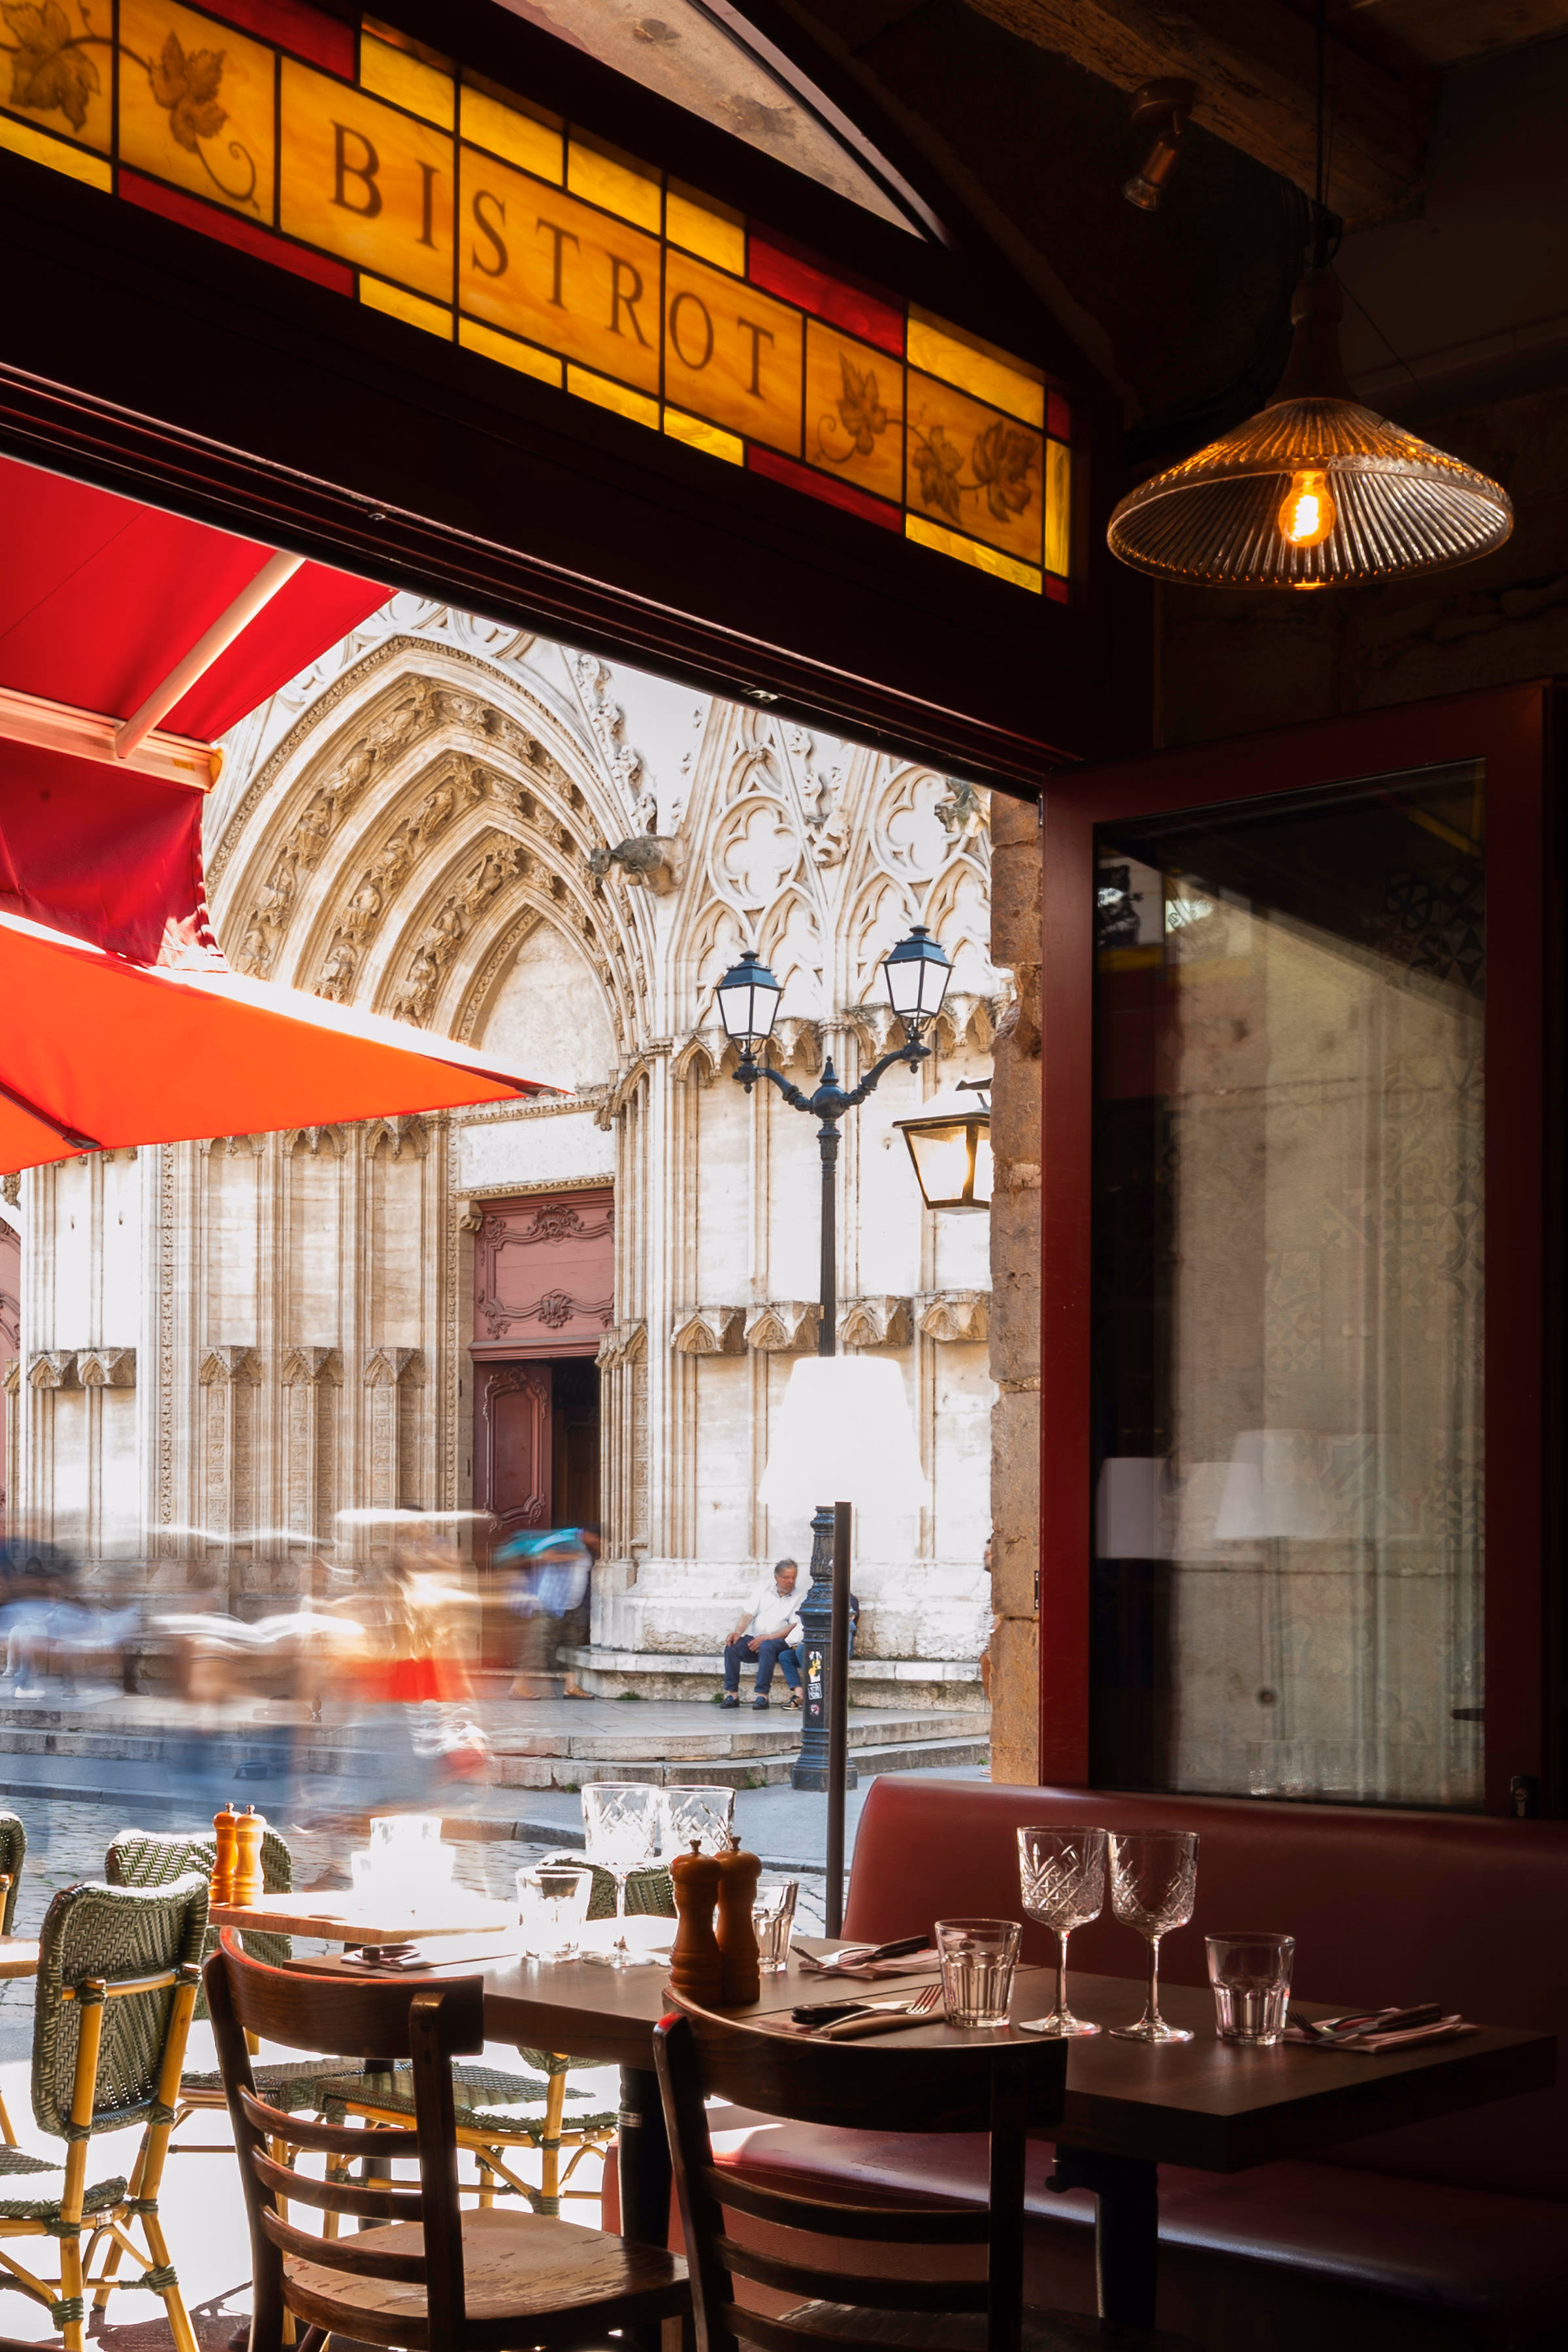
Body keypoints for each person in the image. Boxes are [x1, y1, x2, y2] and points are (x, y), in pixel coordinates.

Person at [721, 1560, 801, 1710]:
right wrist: (737, 1633)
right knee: (733, 1646)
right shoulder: (762, 1591)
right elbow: (748, 1614)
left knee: (767, 1646)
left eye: (793, 1577)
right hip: (757, 1638)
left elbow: (793, 1626)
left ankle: (762, 1696)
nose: (791, 1581)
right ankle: (732, 1695)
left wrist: (768, 1637)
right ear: (777, 1577)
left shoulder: (799, 1596)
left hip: (779, 1641)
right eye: (786, 1578)